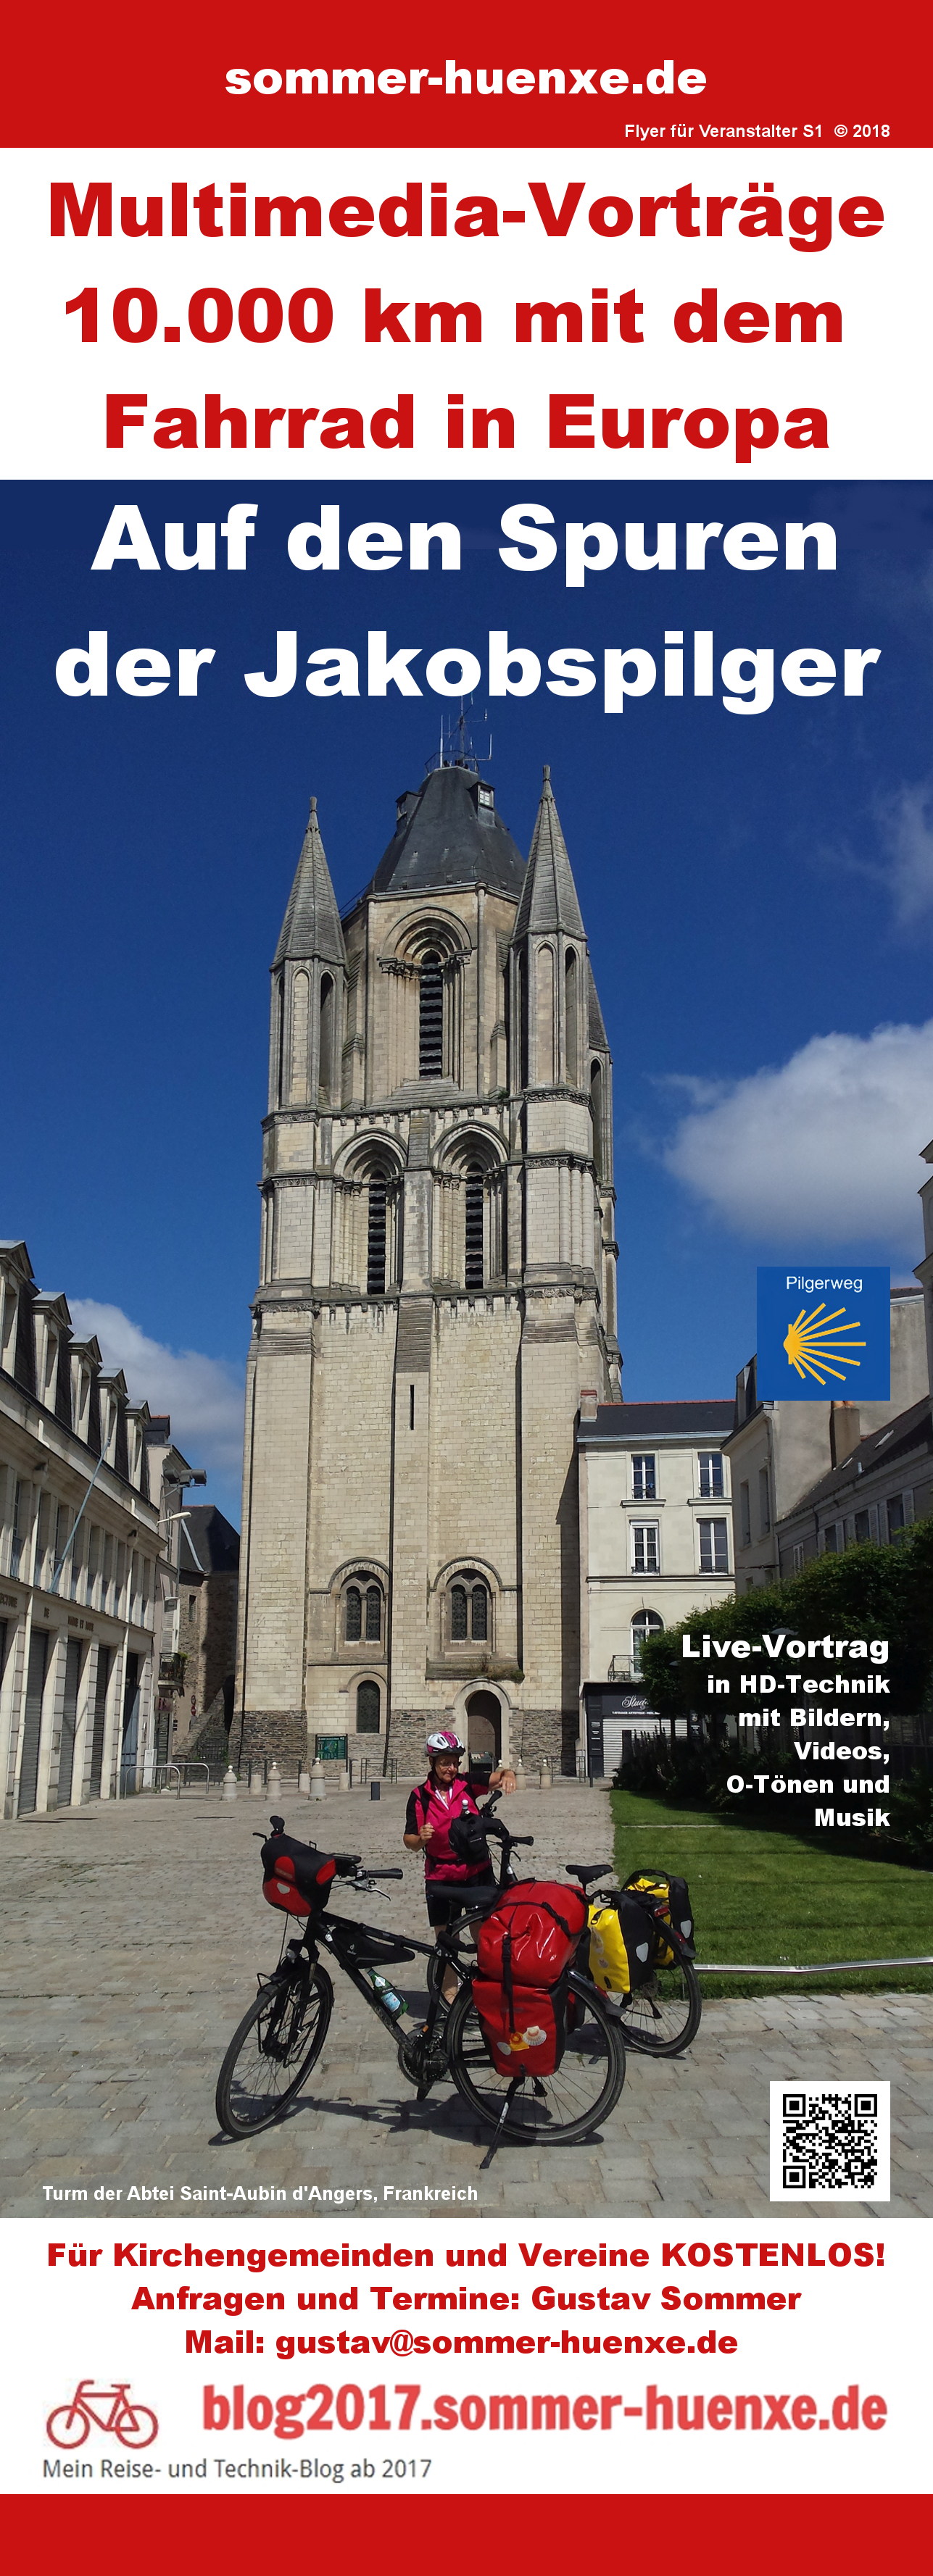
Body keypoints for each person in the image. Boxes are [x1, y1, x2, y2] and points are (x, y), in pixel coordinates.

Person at [404, 1730, 517, 2001]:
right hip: (441, 1877)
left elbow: (499, 1776)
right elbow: (409, 1838)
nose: (451, 1768)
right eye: (445, 1762)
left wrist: (509, 1774)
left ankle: (494, 1994)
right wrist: (421, 1839)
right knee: (446, 1941)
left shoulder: (467, 1784)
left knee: (484, 1935)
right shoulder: (420, 1797)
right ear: (433, 1763)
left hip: (476, 1872)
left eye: (455, 1762)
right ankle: (451, 2003)